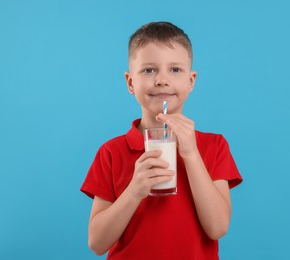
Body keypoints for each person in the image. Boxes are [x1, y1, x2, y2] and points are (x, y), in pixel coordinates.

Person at [80, 21, 243, 259]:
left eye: (175, 69)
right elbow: (97, 243)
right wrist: (134, 190)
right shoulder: (111, 152)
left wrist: (190, 153)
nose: (162, 80)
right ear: (130, 82)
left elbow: (217, 227)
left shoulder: (214, 146)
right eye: (149, 70)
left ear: (191, 80)